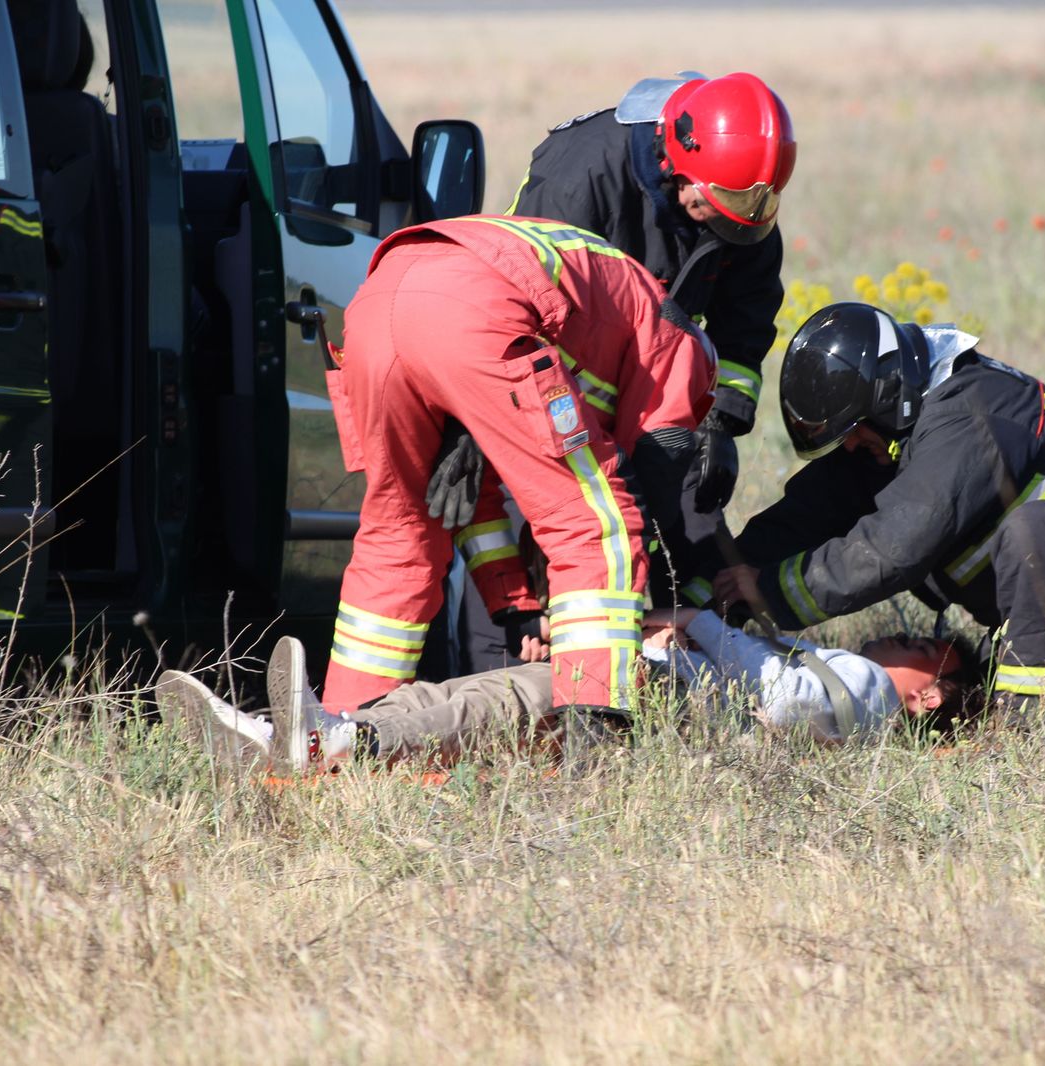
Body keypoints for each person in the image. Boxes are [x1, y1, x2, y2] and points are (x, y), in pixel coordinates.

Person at [425, 74, 797, 675]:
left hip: (656, 386)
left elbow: (745, 320)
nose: (734, 228)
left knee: (689, 525)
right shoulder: (581, 176)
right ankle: (501, 690)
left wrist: (721, 421)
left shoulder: (740, 191)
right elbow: (504, 299)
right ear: (676, 163)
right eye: (716, 209)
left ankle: (687, 677)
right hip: (545, 383)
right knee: (538, 525)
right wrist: (473, 424)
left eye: (755, 211)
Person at [320, 215, 716, 731]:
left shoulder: (612, 300)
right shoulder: (677, 343)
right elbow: (651, 473)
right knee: (594, 523)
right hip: (476, 308)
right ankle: (596, 727)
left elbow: (468, 494)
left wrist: (515, 605)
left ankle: (337, 728)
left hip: (374, 308)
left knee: (400, 534)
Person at [707, 302, 1045, 716]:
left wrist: (770, 590)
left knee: (1032, 529)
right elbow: (806, 513)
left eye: (854, 429)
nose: (851, 443)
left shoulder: (968, 411)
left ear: (888, 396)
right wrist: (710, 596)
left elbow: (896, 547)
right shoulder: (892, 433)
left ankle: (1033, 730)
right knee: (975, 696)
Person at [155, 621, 972, 774]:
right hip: (672, 721)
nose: (892, 637)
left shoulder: (867, 690)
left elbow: (783, 698)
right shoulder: (865, 724)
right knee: (479, 704)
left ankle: (326, 741)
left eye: (914, 642)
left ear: (932, 689)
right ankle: (297, 740)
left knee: (497, 701)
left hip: (662, 697)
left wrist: (699, 623)